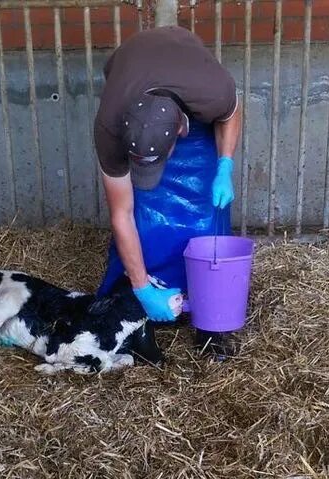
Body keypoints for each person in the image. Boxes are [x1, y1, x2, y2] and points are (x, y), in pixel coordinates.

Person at [94, 26, 242, 334]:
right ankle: (142, 290)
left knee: (204, 216)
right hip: (130, 75)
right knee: (142, 214)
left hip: (185, 76)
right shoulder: (109, 127)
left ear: (180, 131)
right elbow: (120, 214)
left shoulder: (211, 93)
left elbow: (231, 113)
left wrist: (225, 165)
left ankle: (203, 296)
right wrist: (141, 289)